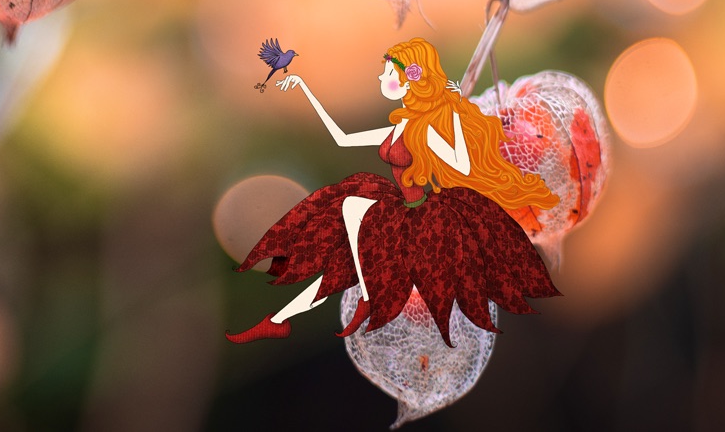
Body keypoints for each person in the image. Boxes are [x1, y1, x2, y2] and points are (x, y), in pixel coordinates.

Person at [226, 37, 560, 346]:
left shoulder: (427, 126)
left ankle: (363, 297)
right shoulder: (402, 122)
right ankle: (279, 319)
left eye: (387, 72)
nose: (379, 78)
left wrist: (456, 115)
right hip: (396, 205)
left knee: (352, 215)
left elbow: (459, 161)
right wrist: (305, 89)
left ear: (410, 79)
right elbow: (342, 138)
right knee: (338, 264)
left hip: (417, 215)